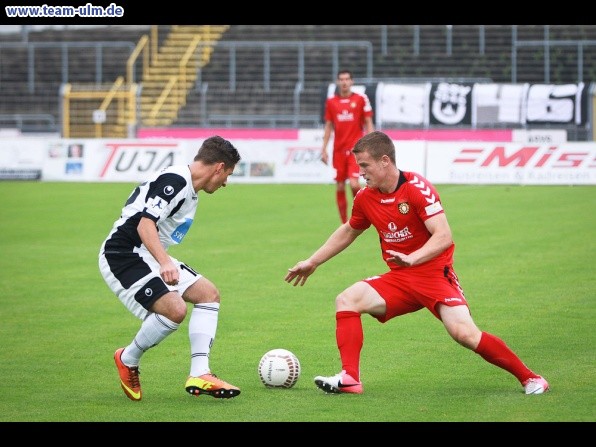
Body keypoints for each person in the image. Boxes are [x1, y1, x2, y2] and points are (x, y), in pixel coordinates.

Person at [285, 131, 549, 396]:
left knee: (464, 334)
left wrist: (413, 258)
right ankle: (350, 378)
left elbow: (444, 235)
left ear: (384, 161)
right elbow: (349, 231)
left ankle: (531, 378)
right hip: (400, 278)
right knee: (347, 300)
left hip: (435, 275)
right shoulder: (366, 197)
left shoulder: (416, 188)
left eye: (364, 165)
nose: (360, 172)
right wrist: (313, 261)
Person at [99, 135, 242, 401]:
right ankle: (127, 358)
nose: (226, 183)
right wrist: (165, 262)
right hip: (123, 253)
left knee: (208, 294)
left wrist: (162, 259)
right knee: (175, 310)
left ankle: (200, 373)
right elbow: (144, 224)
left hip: (146, 253)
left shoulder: (188, 188)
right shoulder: (175, 182)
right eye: (228, 175)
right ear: (219, 167)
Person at [321, 69, 374, 224]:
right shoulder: (331, 102)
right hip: (338, 150)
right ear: (338, 82)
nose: (344, 82)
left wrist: (371, 143)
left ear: (352, 82)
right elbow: (328, 126)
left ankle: (362, 212)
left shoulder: (360, 99)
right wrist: (323, 149)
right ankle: (345, 223)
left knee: (354, 183)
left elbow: (368, 122)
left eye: (347, 79)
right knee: (339, 186)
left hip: (355, 150)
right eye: (341, 79)